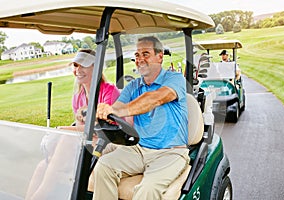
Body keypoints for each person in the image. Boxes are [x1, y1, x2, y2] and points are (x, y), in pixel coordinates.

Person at [93, 36, 190, 199]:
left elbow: (155, 98)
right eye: (137, 55)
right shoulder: (133, 86)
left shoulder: (175, 79)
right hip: (139, 148)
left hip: (170, 152)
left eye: (146, 54)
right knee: (103, 165)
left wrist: (122, 111)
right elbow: (117, 107)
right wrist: (105, 110)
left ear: (160, 57)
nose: (140, 59)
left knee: (148, 189)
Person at [25, 49, 120, 199]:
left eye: (83, 65)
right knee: (42, 166)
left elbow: (99, 128)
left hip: (110, 141)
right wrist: (72, 127)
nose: (78, 70)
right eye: (75, 65)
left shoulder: (109, 91)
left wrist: (64, 129)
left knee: (67, 137)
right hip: (89, 140)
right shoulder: (78, 97)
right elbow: (81, 128)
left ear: (96, 67)